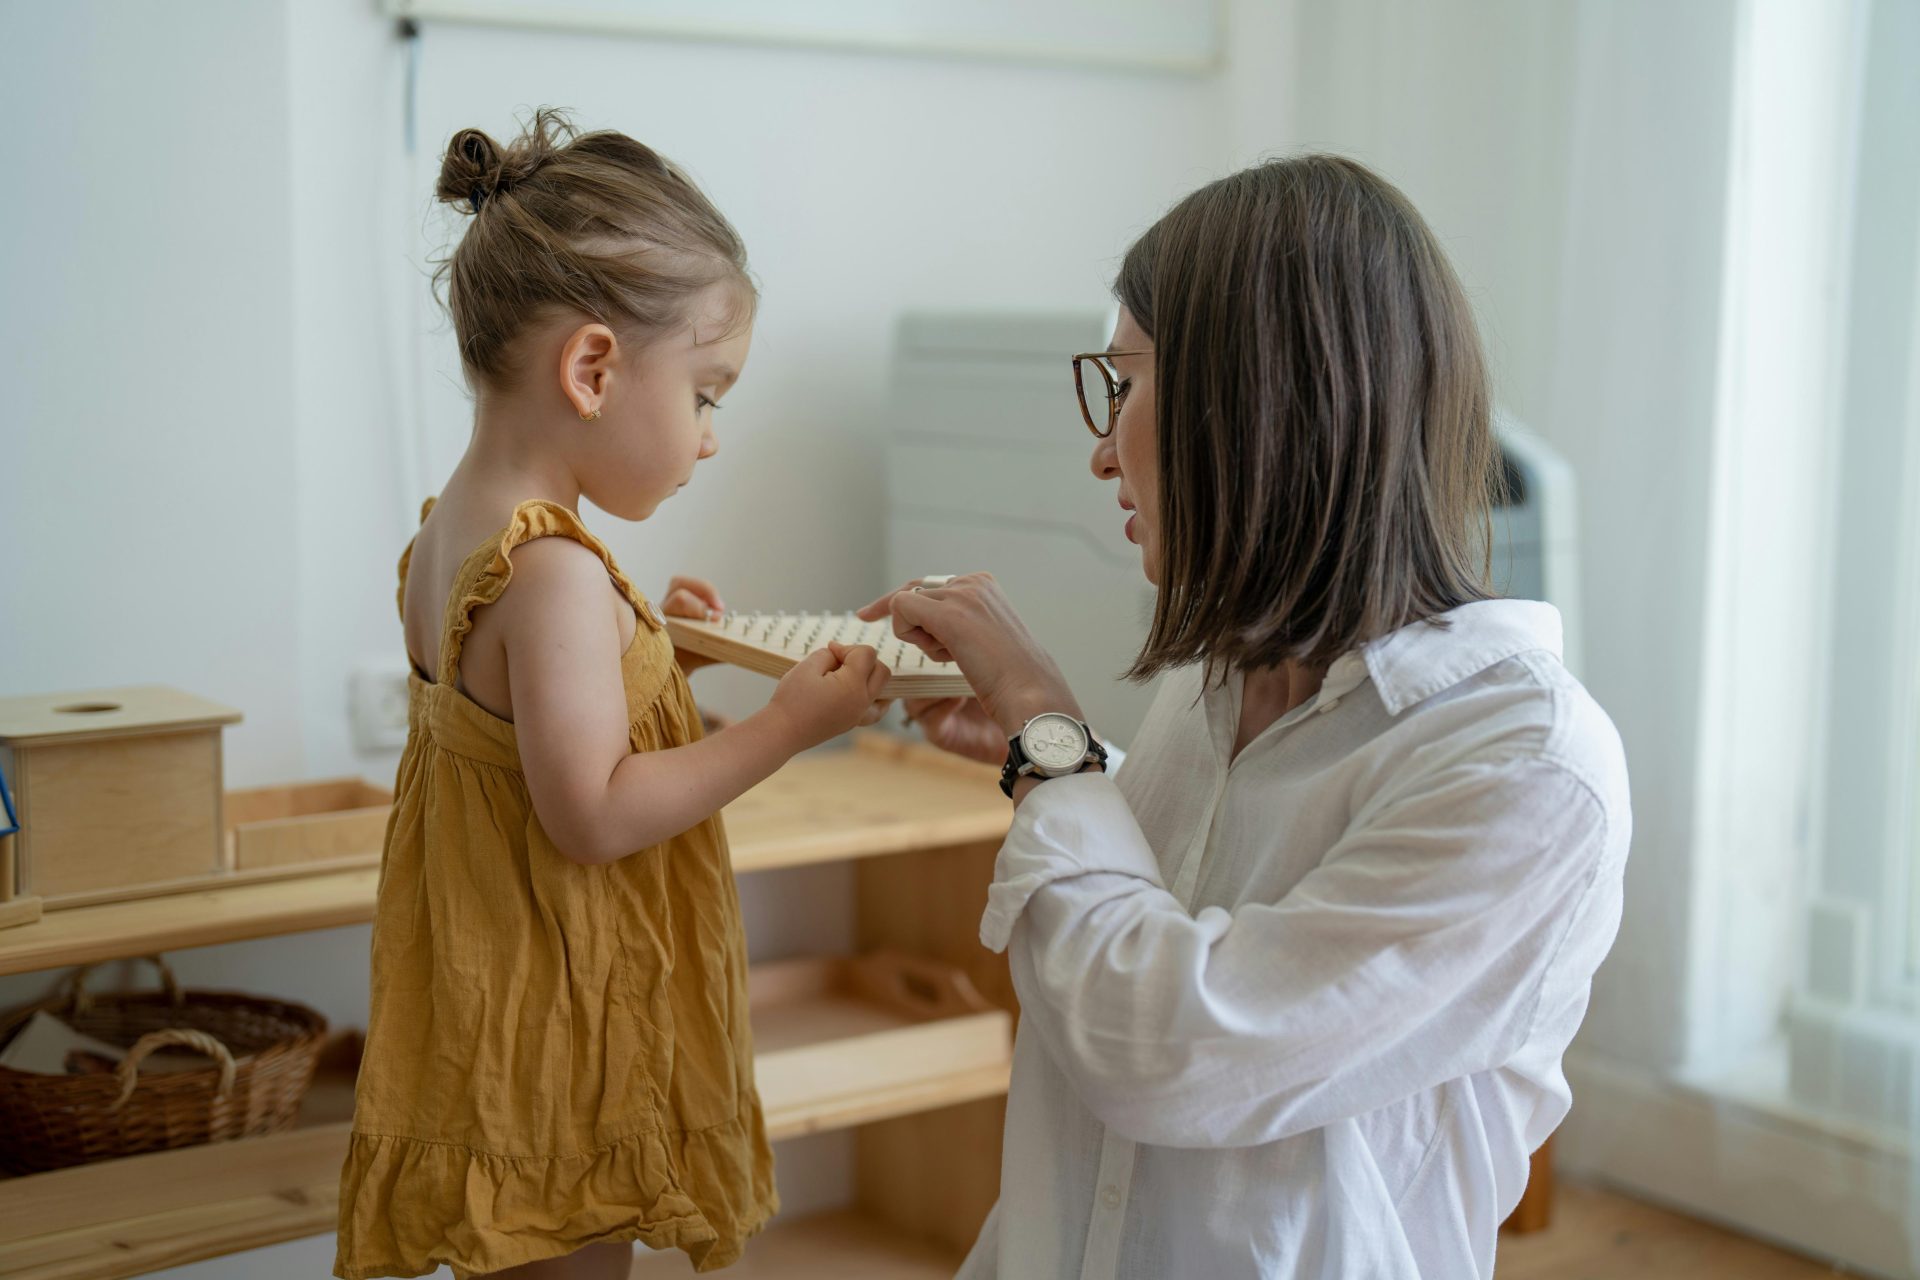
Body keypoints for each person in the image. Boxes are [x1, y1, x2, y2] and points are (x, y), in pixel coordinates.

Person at [862, 155, 1631, 1279]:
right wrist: (1073, 764)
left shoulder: (1528, 769)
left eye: (1121, 384)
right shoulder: (1222, 675)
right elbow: (1244, 887)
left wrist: (1051, 733)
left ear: (1256, 403)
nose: (1101, 445)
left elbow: (1172, 1045)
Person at [334, 110, 889, 1280]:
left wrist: (657, 660)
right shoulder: (556, 570)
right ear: (591, 369)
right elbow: (591, 808)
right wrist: (789, 724)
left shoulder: (454, 534)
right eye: (707, 395)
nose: (709, 438)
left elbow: (513, 722)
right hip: (562, 1014)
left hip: (490, 998)